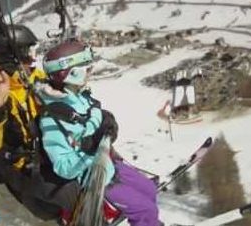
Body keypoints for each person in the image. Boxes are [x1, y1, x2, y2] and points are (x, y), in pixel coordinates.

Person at [37, 40, 161, 226]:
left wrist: (107, 122)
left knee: (150, 190)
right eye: (86, 69)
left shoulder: (80, 96)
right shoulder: (52, 118)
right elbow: (62, 166)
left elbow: (95, 117)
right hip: (93, 180)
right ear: (71, 73)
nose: (90, 72)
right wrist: (89, 147)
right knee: (145, 209)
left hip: (108, 164)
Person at [0, 23, 80, 220]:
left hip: (49, 155)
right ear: (11, 59)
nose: (32, 59)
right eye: (28, 53)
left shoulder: (33, 79)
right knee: (73, 197)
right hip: (23, 170)